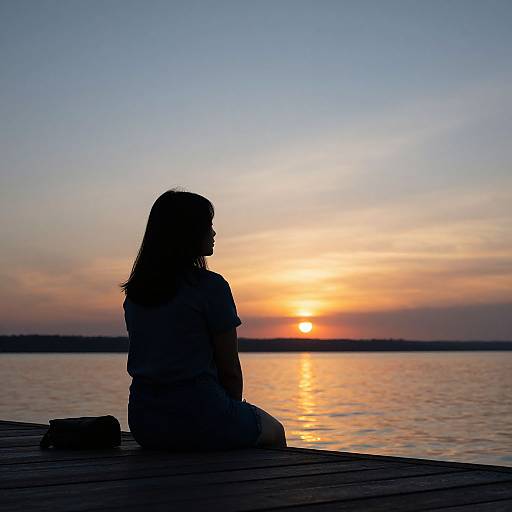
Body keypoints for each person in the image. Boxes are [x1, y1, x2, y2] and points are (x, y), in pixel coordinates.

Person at [120, 188, 287, 451]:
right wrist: (230, 414)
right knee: (275, 431)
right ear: (188, 232)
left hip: (145, 422)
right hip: (200, 414)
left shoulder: (136, 294)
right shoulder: (211, 287)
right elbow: (229, 370)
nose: (214, 232)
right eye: (208, 225)